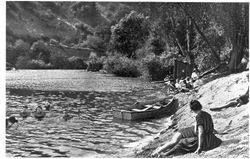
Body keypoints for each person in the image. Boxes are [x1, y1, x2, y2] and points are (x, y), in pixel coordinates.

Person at [151, 100, 221, 157]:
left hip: (192, 133)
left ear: (192, 109)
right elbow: (210, 125)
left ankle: (160, 151)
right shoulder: (207, 114)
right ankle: (160, 150)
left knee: (176, 143)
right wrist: (215, 131)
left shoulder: (198, 117)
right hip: (199, 135)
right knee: (175, 142)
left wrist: (199, 147)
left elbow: (201, 133)